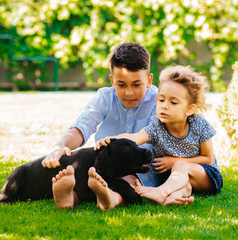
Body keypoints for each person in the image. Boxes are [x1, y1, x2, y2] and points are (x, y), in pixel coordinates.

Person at [41, 42, 158, 210]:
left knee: (128, 181)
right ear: (112, 80)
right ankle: (69, 197)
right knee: (88, 175)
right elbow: (82, 127)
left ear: (149, 80)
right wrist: (60, 145)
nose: (129, 92)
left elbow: (157, 132)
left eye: (136, 84)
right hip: (105, 169)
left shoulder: (159, 101)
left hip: (141, 168)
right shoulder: (104, 97)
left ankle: (111, 198)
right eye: (121, 84)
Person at [95, 65, 223, 205]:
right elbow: (136, 137)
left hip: (204, 176)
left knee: (180, 165)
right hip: (174, 180)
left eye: (173, 102)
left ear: (189, 109)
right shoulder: (157, 126)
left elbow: (208, 159)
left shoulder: (198, 125)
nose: (164, 106)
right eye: (161, 100)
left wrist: (175, 162)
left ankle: (161, 191)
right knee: (184, 187)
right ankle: (173, 197)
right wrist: (112, 139)